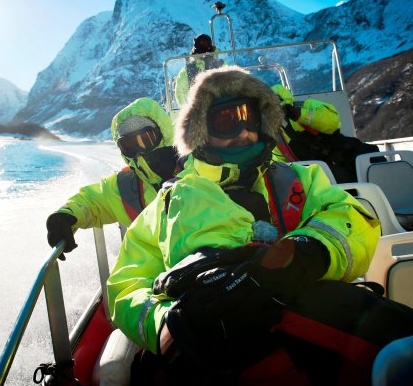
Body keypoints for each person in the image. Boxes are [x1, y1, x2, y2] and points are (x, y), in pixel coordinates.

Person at [107, 66, 398, 384]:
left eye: (252, 118)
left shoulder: (295, 180)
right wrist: (167, 322)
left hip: (306, 338)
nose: (243, 130)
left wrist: (309, 251)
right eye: (226, 120)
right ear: (201, 129)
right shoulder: (168, 202)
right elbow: (127, 285)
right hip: (211, 352)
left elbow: (354, 217)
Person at [46, 97, 178, 260]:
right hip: (160, 269)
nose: (139, 151)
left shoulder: (195, 165)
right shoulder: (125, 187)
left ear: (163, 134)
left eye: (146, 140)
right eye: (129, 146)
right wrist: (65, 216)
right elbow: (92, 202)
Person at [271, 84, 384, 183]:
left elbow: (332, 123)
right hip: (317, 172)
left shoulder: (306, 106)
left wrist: (299, 114)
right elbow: (280, 162)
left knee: (373, 163)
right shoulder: (274, 134)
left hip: (344, 156)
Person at [174, 34, 224, 107]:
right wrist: (188, 109)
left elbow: (232, 82)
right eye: (200, 44)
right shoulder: (188, 70)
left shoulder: (220, 65)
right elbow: (179, 91)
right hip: (200, 109)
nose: (203, 47)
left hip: (219, 107)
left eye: (205, 44)